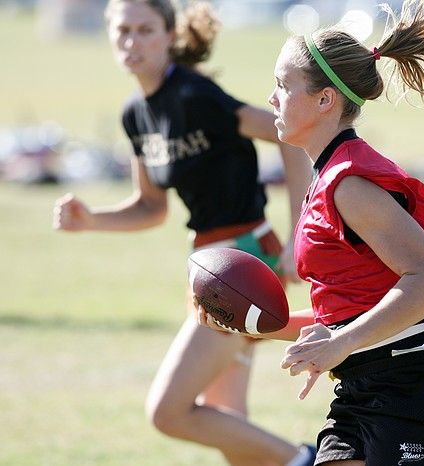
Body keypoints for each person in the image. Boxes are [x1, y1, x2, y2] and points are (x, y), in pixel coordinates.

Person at [200, 1, 424, 464]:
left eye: (283, 85)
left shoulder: (351, 183)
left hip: (413, 389)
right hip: (361, 386)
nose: (272, 98)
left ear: (325, 99)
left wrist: (342, 343)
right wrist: (250, 322)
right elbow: (346, 315)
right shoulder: (326, 175)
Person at [52, 0, 315, 465]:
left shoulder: (197, 96)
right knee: (225, 422)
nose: (132, 41)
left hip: (244, 260)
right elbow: (151, 207)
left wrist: (299, 233)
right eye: (123, 31)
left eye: (145, 30)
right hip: (209, 264)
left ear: (169, 35)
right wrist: (91, 219)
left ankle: (307, 460)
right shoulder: (137, 113)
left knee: (169, 412)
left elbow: (286, 135)